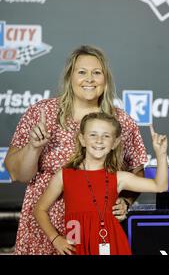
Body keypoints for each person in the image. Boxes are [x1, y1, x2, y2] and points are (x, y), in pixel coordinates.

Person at [4, 45, 149, 254]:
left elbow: (137, 171)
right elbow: (17, 173)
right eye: (82, 72)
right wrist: (34, 148)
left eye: (96, 73)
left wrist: (125, 201)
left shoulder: (121, 122)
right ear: (69, 77)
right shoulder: (41, 112)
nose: (89, 79)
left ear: (105, 79)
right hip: (43, 229)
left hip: (93, 231)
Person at [34, 113, 168, 255]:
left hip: (113, 244)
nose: (99, 140)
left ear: (114, 143)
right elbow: (39, 209)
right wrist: (55, 239)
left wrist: (161, 154)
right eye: (93, 135)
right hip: (77, 245)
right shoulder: (64, 176)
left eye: (106, 136)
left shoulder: (118, 178)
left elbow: (160, 186)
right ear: (82, 139)